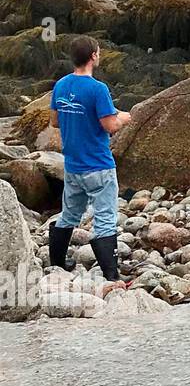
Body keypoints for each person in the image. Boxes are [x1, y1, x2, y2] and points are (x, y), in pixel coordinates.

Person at [48, 35, 132, 281]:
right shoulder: (98, 89)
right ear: (94, 56)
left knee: (69, 215)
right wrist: (125, 117)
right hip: (98, 166)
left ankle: (57, 265)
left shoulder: (61, 85)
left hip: (73, 166)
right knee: (105, 217)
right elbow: (109, 125)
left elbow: (54, 121)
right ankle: (112, 277)